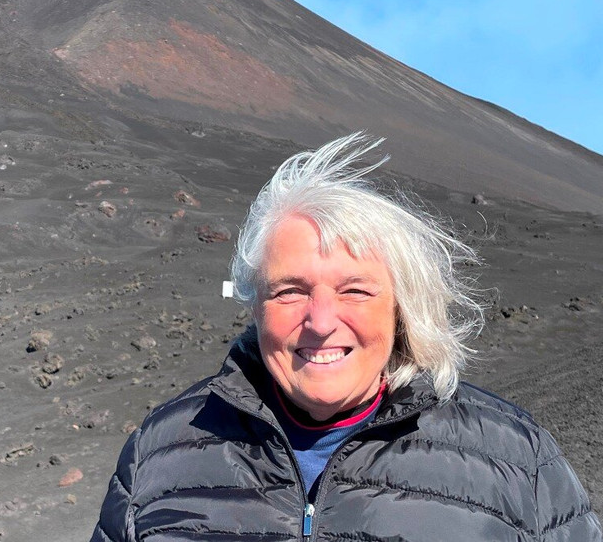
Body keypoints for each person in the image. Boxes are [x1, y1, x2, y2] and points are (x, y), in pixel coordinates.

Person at [91, 133, 600, 541]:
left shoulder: (517, 460)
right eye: (290, 291)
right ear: (255, 306)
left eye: (355, 290)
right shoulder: (160, 450)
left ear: (401, 309)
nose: (321, 321)